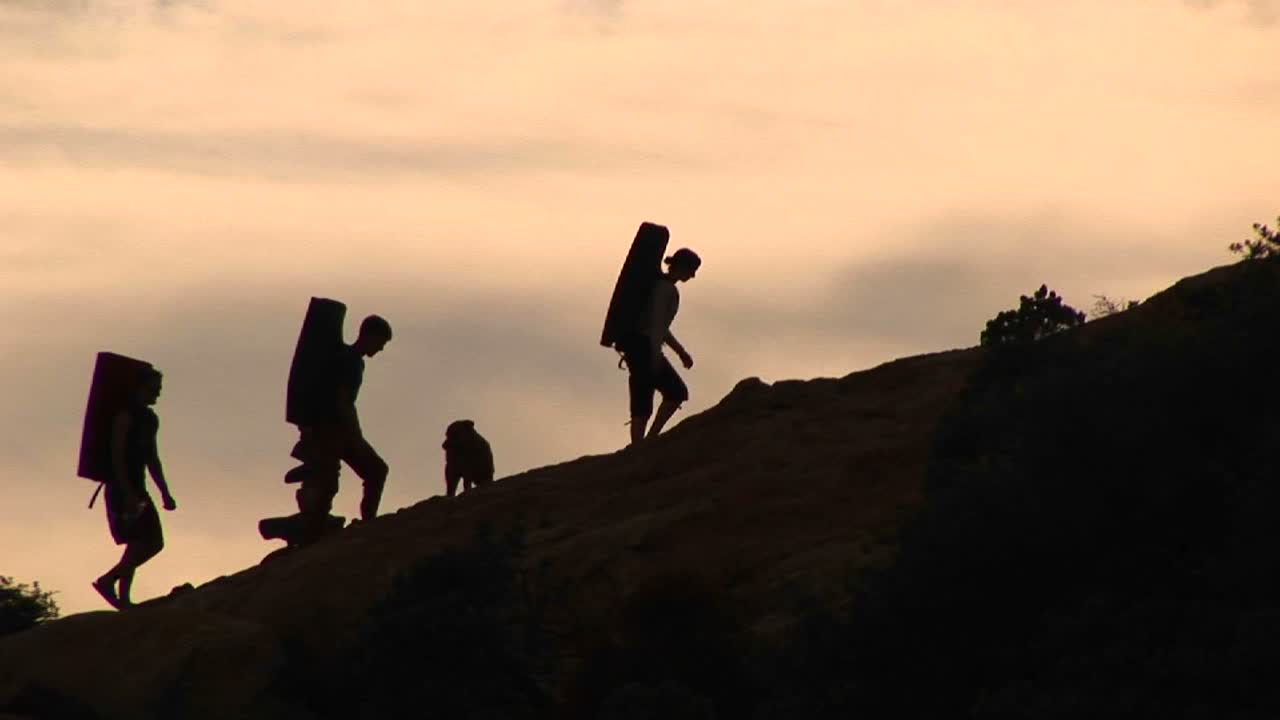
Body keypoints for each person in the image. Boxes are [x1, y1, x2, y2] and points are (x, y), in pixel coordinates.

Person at [294, 314, 393, 527]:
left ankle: (365, 520)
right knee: (367, 472)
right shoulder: (349, 360)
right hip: (333, 432)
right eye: (381, 342)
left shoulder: (352, 360)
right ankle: (364, 523)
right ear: (370, 336)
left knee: (369, 472)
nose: (381, 348)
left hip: (335, 431)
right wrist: (354, 433)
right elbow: (342, 401)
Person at [92, 366, 176, 609]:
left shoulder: (149, 419)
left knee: (138, 542)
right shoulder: (124, 416)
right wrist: (127, 492)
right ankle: (108, 580)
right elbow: (116, 456)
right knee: (151, 542)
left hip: (138, 489)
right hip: (122, 489)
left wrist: (165, 492)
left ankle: (124, 597)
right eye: (153, 389)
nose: (157, 394)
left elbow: (152, 458)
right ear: (139, 388)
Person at [620, 248, 701, 445]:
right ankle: (650, 441)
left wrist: (681, 352)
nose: (693, 275)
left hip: (634, 347)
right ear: (681, 267)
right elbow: (658, 326)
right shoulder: (667, 290)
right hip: (647, 347)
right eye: (691, 270)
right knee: (677, 392)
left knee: (641, 397)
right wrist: (657, 355)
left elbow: (658, 326)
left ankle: (638, 446)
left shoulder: (656, 285)